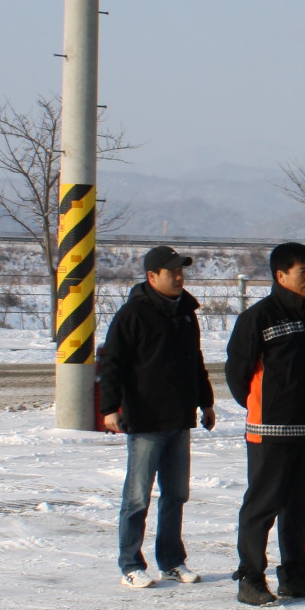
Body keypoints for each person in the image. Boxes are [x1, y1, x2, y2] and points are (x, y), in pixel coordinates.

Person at [97, 245, 216, 588]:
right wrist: (110, 409)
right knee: (137, 498)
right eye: (172, 272)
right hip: (146, 419)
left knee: (175, 495)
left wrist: (206, 403)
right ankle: (131, 564)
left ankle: (172, 561)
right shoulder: (133, 314)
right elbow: (112, 364)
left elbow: (195, 361)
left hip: (179, 418)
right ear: (152, 276)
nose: (179, 278)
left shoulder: (186, 313)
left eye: (181, 271)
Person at [225, 241, 305, 607]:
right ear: (281, 275)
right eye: (303, 272)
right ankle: (251, 576)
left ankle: (295, 574)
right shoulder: (258, 317)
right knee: (263, 503)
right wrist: (266, 404)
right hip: (270, 428)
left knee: (296, 504)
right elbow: (237, 373)